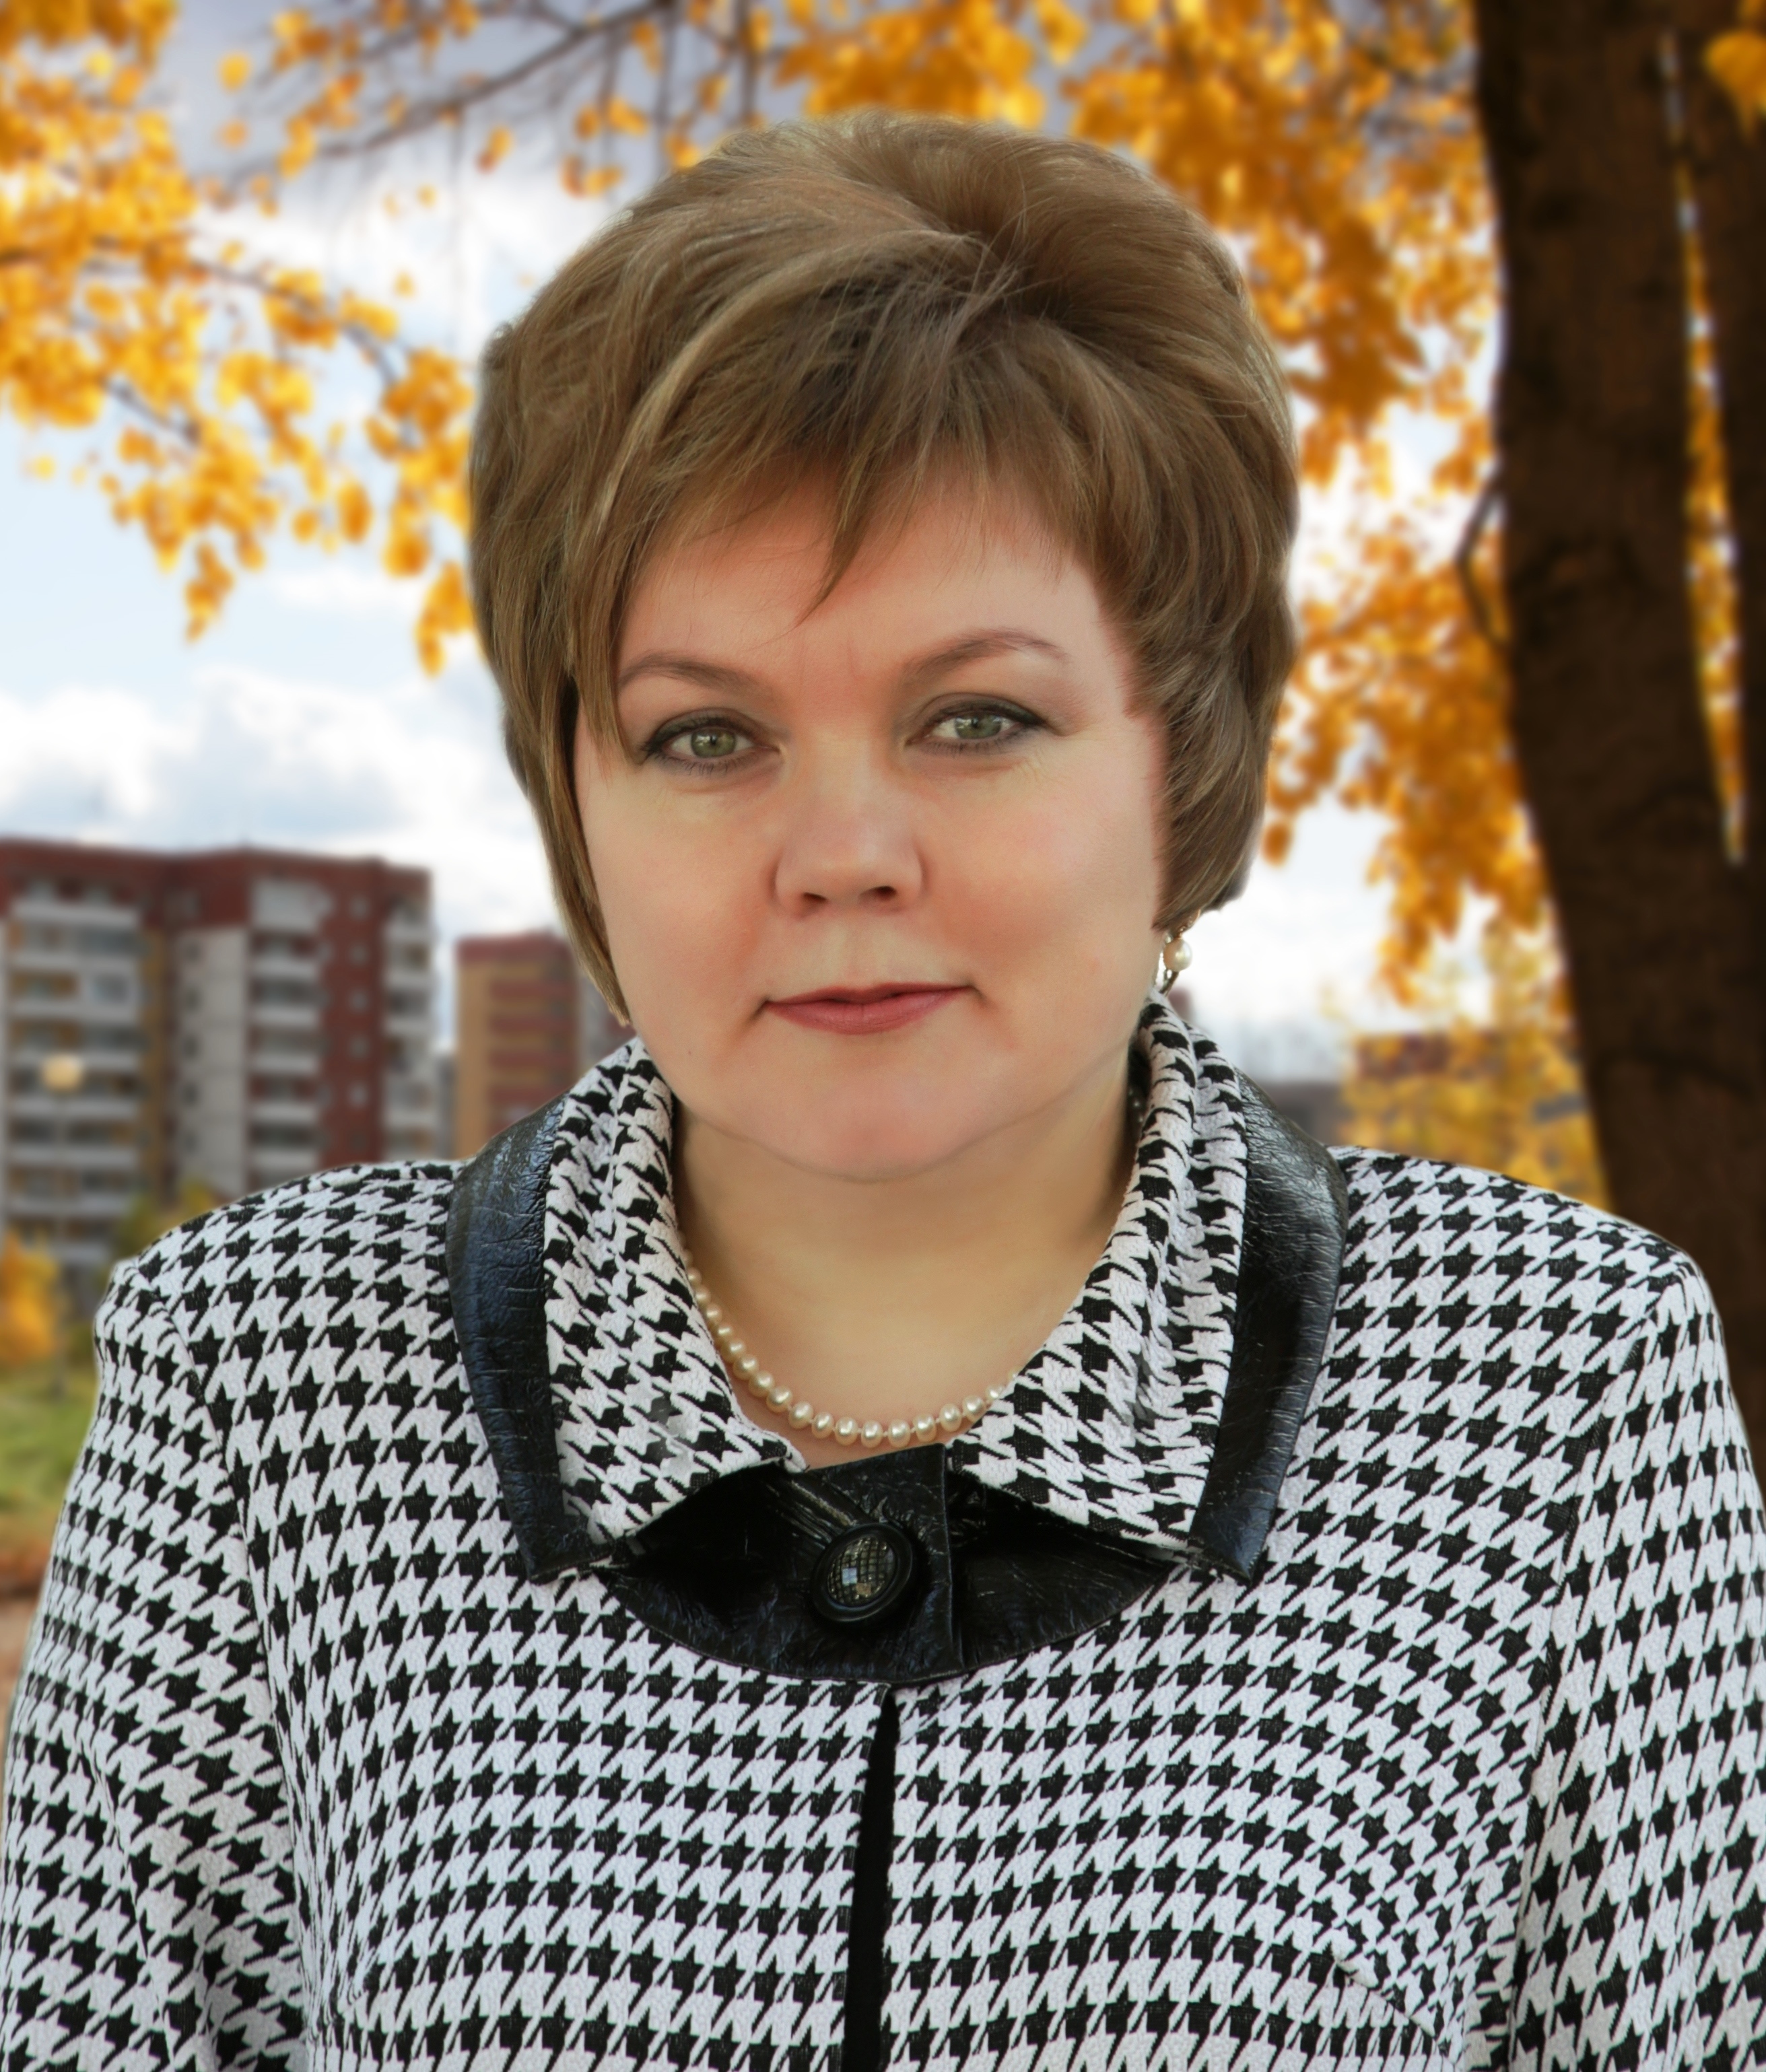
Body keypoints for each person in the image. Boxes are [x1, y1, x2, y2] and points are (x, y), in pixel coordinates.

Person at [3, 112, 1762, 2072]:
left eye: (975, 718)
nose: (842, 856)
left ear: (1180, 766)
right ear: (577, 797)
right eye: (706, 735)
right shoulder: (262, 1383)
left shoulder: (1558, 1387)